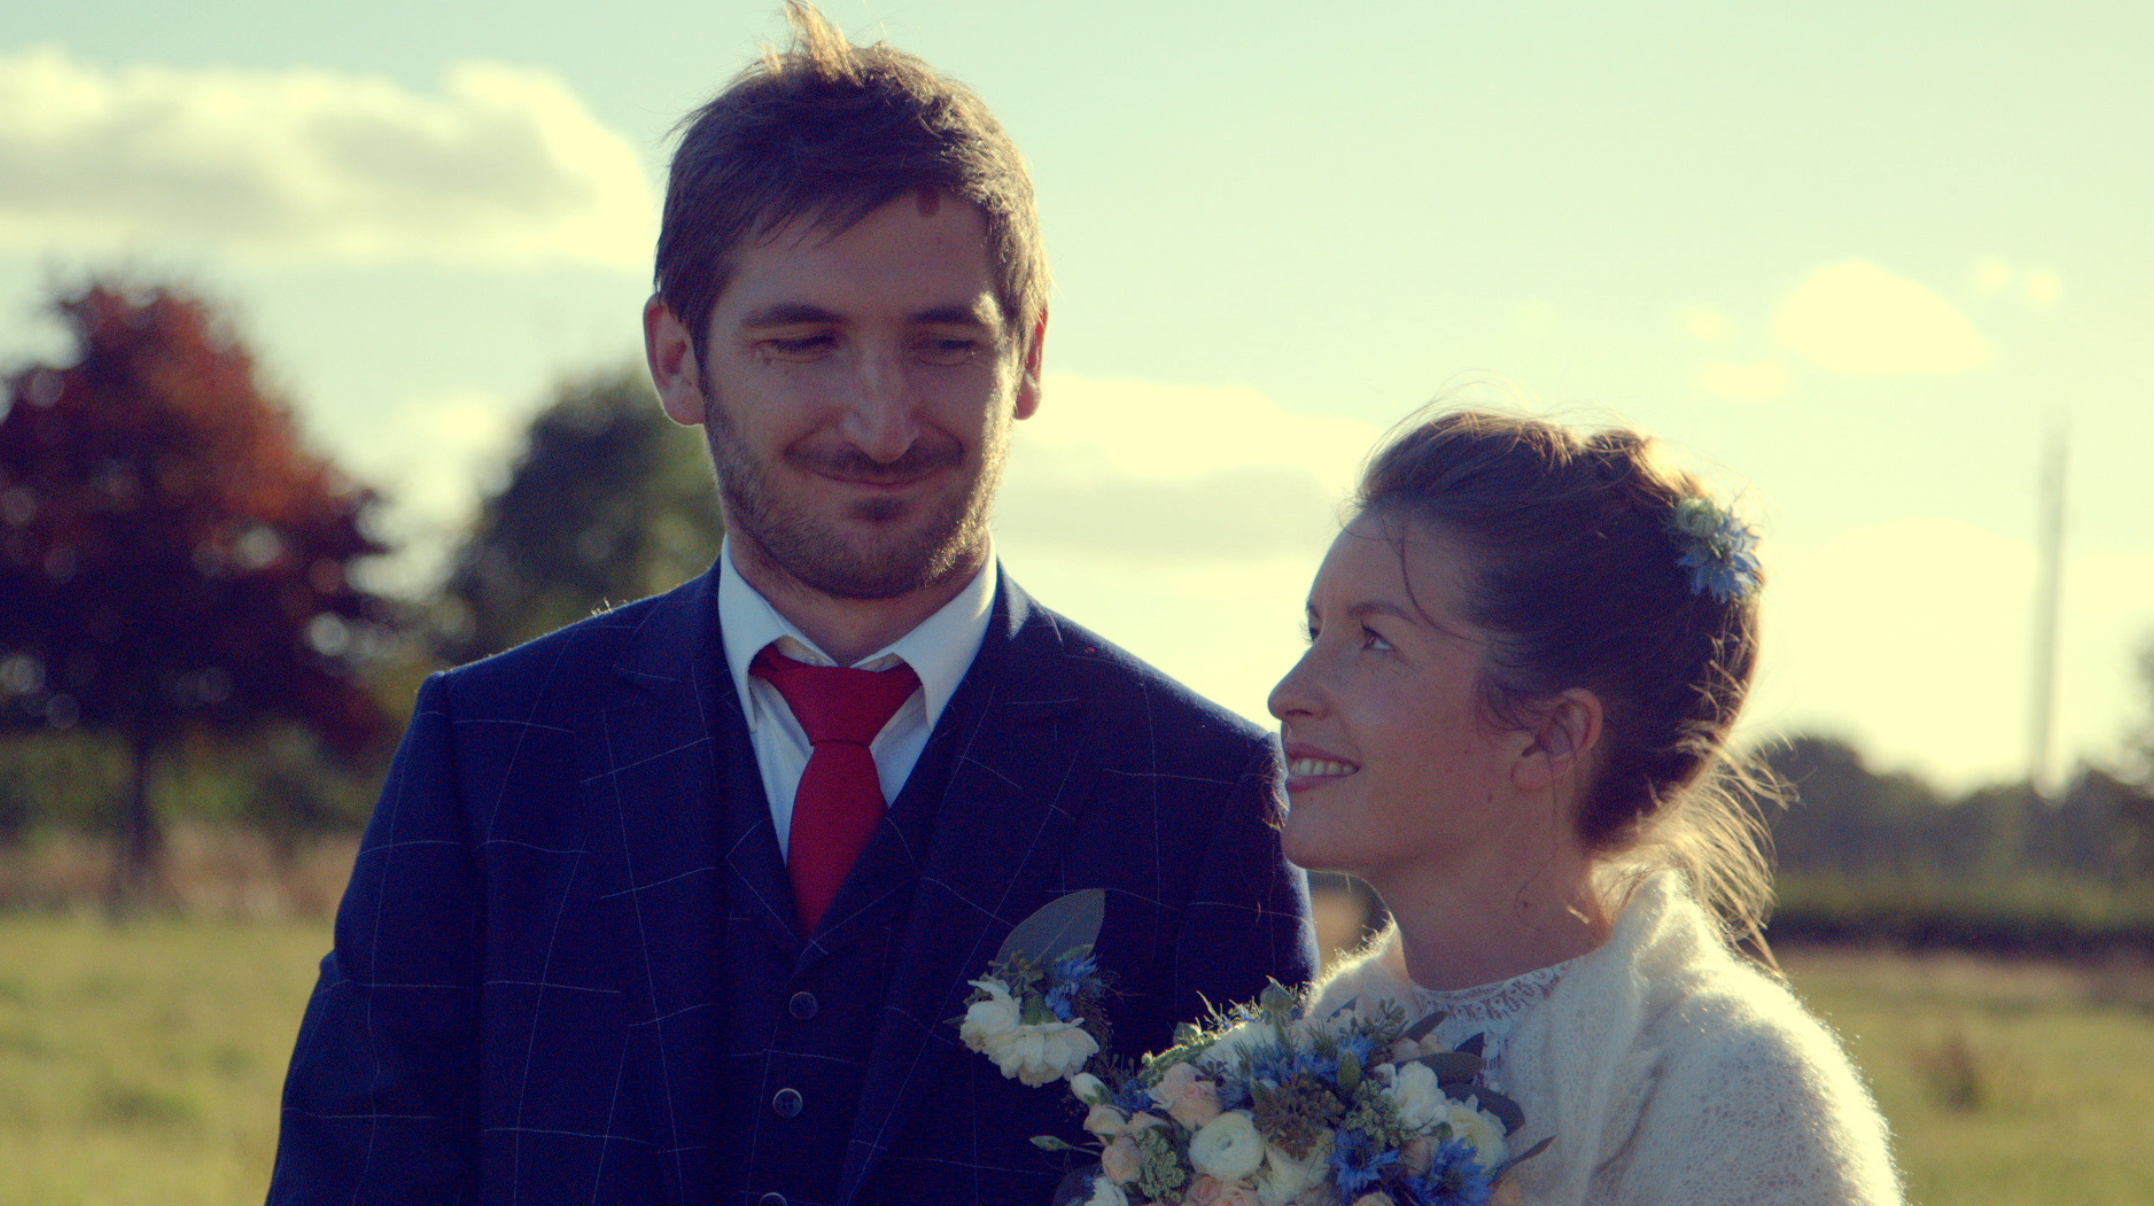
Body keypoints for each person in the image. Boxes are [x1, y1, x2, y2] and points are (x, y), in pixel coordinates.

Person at [265, 6, 1316, 1204]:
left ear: (1028, 356)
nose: (881, 421)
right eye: (804, 341)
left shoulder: (1203, 800)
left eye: (942, 344)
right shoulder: (488, 759)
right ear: (678, 359)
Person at [1274, 410, 1902, 1204]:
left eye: (1374, 641)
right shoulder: (1310, 1052)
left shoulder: (1744, 1097)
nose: (1287, 694)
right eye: (1314, 632)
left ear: (1551, 735)